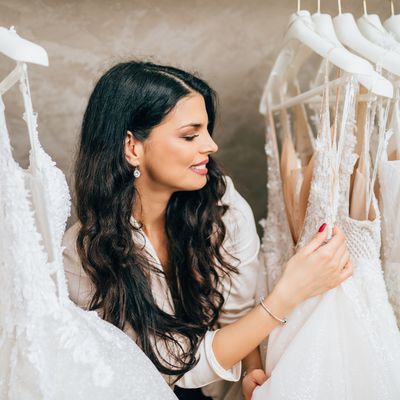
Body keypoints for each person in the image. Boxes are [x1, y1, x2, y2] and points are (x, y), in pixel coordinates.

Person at [62, 61, 352, 400]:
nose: (211, 145)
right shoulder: (83, 254)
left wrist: (250, 370)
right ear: (133, 147)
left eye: (207, 130)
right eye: (190, 135)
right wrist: (288, 294)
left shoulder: (219, 202)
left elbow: (237, 310)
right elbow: (164, 369)